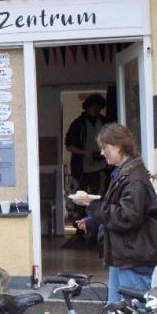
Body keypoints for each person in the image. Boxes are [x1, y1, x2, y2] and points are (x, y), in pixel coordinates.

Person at [74, 123, 157, 314]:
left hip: (133, 257)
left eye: (104, 147)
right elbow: (121, 211)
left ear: (117, 146)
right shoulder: (125, 173)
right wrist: (93, 219)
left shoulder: (134, 179)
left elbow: (126, 218)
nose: (102, 153)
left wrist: (92, 206)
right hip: (124, 256)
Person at [65, 94, 108, 240]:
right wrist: (85, 153)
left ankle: (97, 228)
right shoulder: (78, 123)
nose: (96, 110)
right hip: (81, 168)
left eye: (99, 107)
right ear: (87, 107)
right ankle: (79, 230)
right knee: (79, 200)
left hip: (100, 167)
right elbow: (69, 146)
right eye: (93, 107)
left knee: (99, 198)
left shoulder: (104, 122)